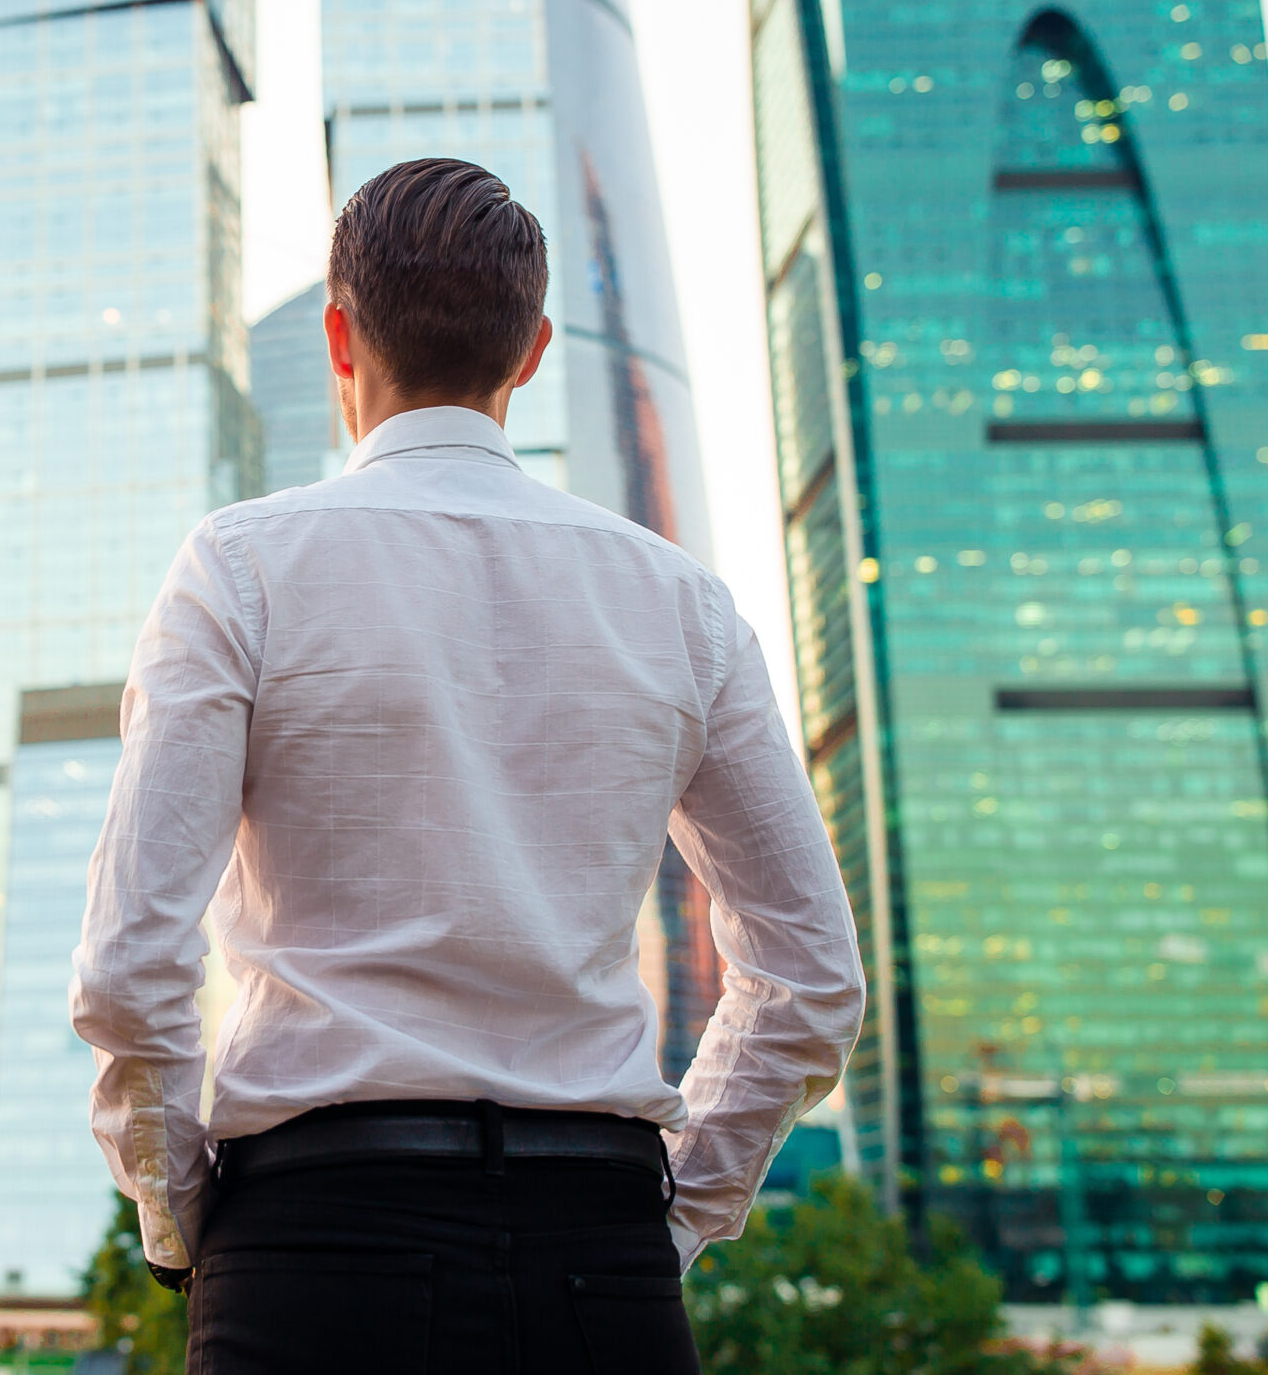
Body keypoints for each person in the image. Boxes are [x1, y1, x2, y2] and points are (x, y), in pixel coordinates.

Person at [68, 157, 866, 1373]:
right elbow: (812, 981)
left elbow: (130, 967)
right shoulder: (682, 604)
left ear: (339, 335)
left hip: (312, 1256)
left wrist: (188, 1220)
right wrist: (675, 1215)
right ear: (532, 349)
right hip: (596, 1260)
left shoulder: (239, 570)